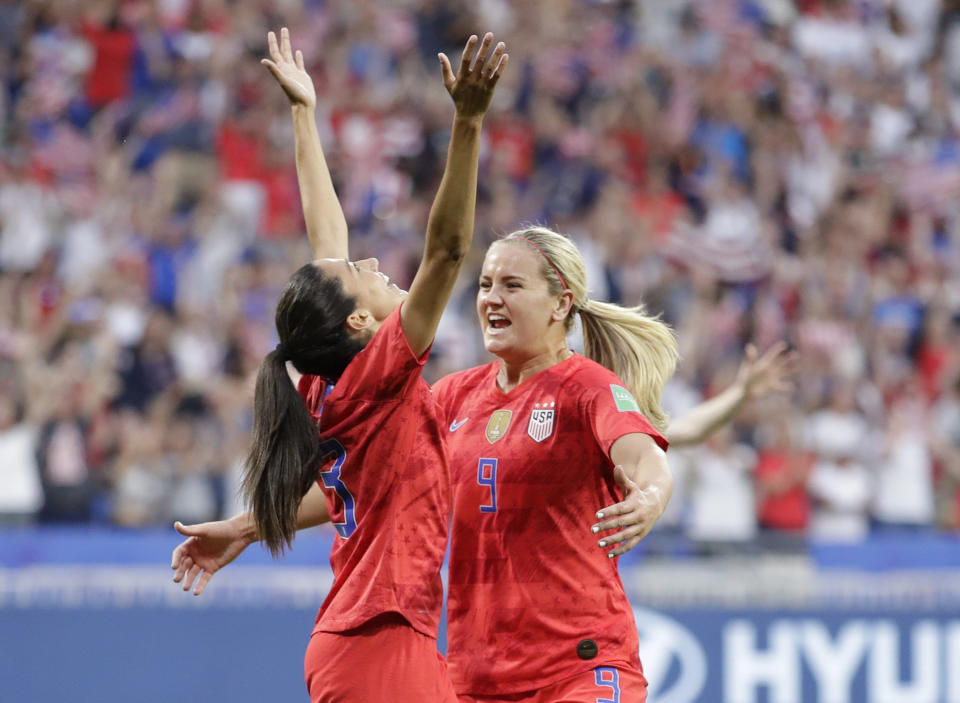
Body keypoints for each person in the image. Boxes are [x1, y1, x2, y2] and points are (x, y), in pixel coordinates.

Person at [172, 30, 794, 703]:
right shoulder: (434, 392)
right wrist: (464, 122)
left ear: (561, 303)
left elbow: (647, 453)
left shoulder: (583, 386)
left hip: (578, 671)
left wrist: (652, 496)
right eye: (486, 283)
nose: (489, 296)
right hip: (471, 676)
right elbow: (430, 255)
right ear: (355, 321)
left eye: (510, 285)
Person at [171, 28, 508, 703]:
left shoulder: (329, 378)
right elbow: (445, 251)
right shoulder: (379, 370)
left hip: (369, 641)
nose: (378, 266)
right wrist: (468, 123)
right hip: (380, 642)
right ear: (360, 323)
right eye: (365, 274)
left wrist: (303, 115)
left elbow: (329, 242)